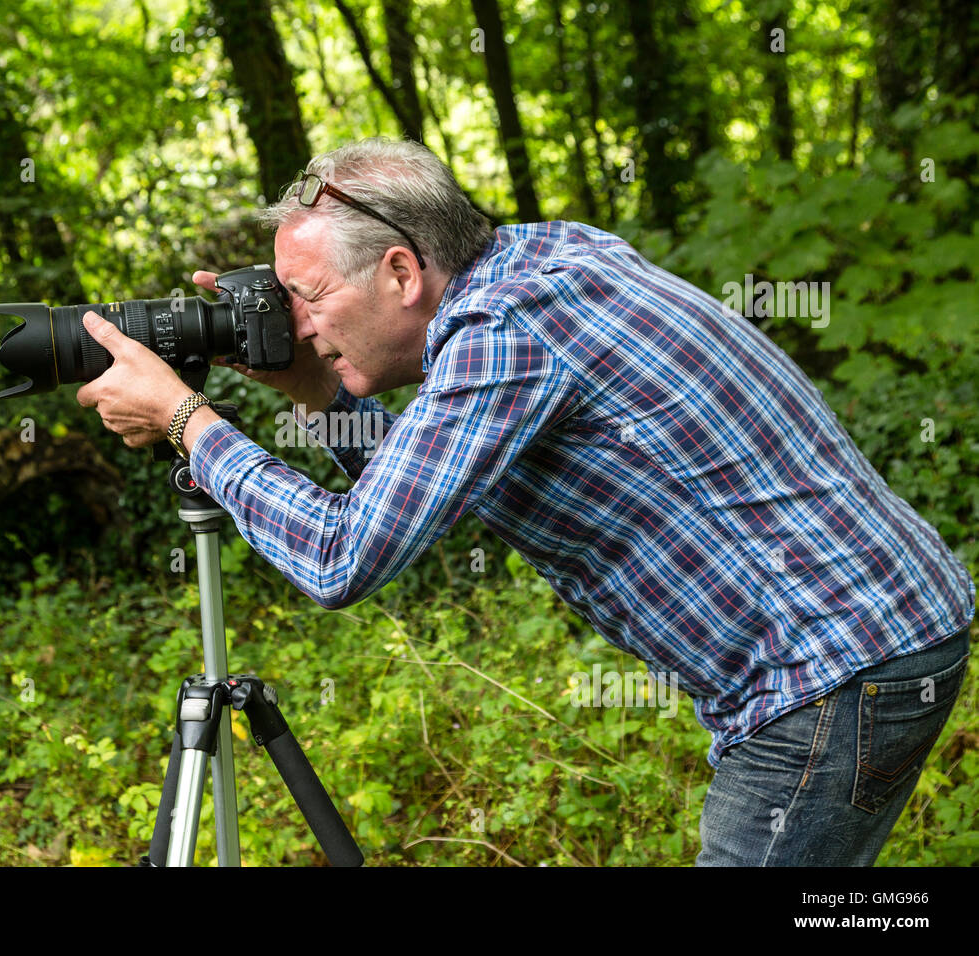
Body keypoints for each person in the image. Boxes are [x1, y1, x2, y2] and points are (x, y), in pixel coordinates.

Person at [74, 137, 974, 866]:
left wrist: (188, 419)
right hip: (866, 641)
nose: (296, 323)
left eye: (308, 298)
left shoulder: (505, 331)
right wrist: (317, 393)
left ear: (400, 271)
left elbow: (340, 557)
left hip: (833, 671)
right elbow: (424, 491)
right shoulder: (546, 259)